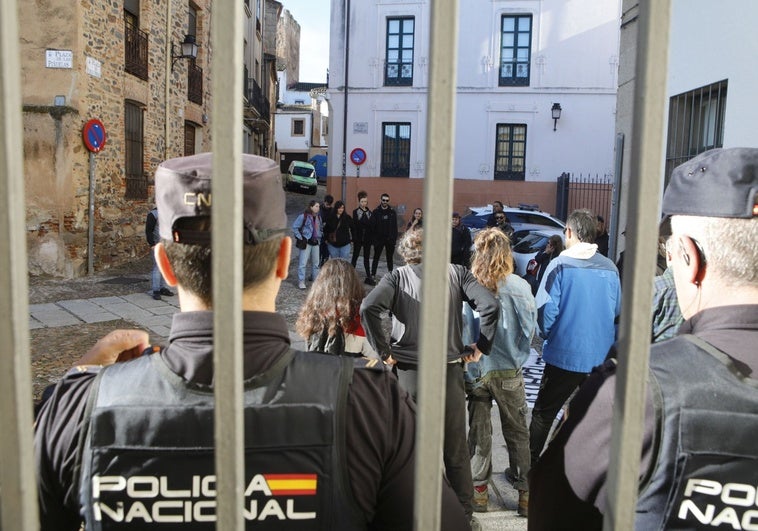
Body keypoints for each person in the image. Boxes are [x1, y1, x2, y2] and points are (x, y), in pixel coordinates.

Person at [34, 153, 470, 531]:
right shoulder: (371, 407)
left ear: (165, 265)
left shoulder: (75, 414)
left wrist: (75, 388)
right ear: (284, 258)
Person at [529, 147, 758, 530]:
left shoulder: (636, 394)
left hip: (568, 359)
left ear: (689, 258)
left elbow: (553, 512)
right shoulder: (607, 269)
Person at [361, 229, 499, 528]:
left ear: (405, 253)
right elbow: (490, 305)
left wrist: (384, 351)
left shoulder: (397, 278)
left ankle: (407, 508)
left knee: (406, 446)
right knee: (455, 448)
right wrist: (481, 347)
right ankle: (463, 513)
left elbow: (368, 307)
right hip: (447, 372)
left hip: (408, 373)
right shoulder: (457, 273)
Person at [529, 209, 621, 466]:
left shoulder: (559, 265)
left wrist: (546, 337)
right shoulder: (610, 268)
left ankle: (529, 469)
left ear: (569, 232)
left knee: (543, 414)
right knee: (591, 416)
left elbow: (545, 313)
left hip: (563, 354)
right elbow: (616, 312)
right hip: (600, 358)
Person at [463, 228, 537, 517]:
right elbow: (530, 330)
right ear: (507, 254)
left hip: (477, 368)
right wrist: (517, 352)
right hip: (509, 368)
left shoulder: (470, 285)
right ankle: (525, 496)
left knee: (479, 432)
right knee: (518, 432)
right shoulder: (519, 287)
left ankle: (479, 493)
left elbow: (461, 326)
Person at [296, 258, 379, 360]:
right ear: (353, 283)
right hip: (349, 372)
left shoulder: (313, 310)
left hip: (316, 369)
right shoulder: (360, 316)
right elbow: (373, 356)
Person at [145, 207, 175, 300]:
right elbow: (148, 230)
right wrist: (152, 244)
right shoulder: (153, 214)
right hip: (157, 245)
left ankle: (162, 287)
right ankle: (156, 290)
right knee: (157, 267)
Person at [292, 199, 322, 289]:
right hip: (307, 242)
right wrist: (301, 237)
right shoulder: (303, 216)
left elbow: (320, 228)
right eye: (316, 206)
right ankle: (301, 281)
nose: (318, 208)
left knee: (316, 264)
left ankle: (315, 282)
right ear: (311, 207)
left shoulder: (319, 217)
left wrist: (320, 236)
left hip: (316, 242)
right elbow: (295, 227)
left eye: (319, 207)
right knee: (303, 263)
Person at [370, 193, 398, 279]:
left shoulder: (392, 212)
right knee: (376, 257)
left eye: (387, 200)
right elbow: (372, 227)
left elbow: (395, 227)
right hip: (379, 239)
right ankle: (373, 274)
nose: (385, 202)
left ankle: (391, 275)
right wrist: (374, 240)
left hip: (389, 239)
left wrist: (394, 239)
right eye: (383, 200)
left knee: (390, 258)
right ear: (380, 200)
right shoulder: (376, 212)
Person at [351, 190, 374, 284]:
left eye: (365, 201)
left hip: (367, 239)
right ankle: (351, 274)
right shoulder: (355, 212)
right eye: (362, 201)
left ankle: (368, 276)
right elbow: (355, 226)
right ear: (359, 202)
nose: (364, 203)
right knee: (355, 256)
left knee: (366, 258)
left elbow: (372, 227)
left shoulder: (370, 213)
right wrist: (354, 238)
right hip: (358, 238)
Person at [319, 194, 334, 266]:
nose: (328, 206)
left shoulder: (332, 210)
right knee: (319, 250)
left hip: (328, 234)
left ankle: (324, 262)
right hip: (320, 233)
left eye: (330, 205)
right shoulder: (319, 209)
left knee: (327, 251)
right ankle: (319, 262)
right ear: (324, 202)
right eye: (327, 204)